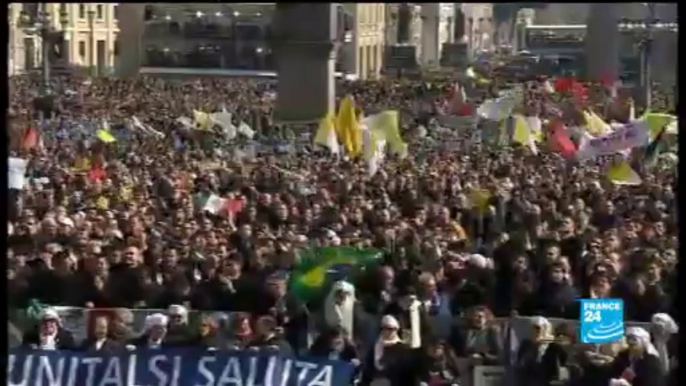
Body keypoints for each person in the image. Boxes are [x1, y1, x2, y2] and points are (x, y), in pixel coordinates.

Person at [360, 315, 416, 386]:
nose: (387, 332)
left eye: (390, 329)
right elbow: (367, 372)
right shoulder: (375, 347)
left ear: (396, 330)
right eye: (384, 328)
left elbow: (408, 375)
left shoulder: (403, 349)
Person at [514, 316, 568, 386]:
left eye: (538, 328)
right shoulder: (526, 345)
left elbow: (561, 363)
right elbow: (520, 364)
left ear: (545, 329)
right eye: (533, 328)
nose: (536, 332)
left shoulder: (554, 347)